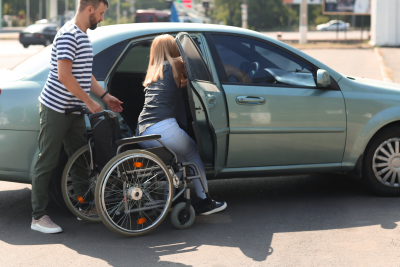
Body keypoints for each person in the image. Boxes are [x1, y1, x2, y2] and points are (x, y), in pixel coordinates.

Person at [31, 0, 123, 234]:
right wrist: (89, 101)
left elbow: (82, 72)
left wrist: (104, 95)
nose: (102, 18)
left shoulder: (82, 35)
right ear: (89, 9)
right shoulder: (68, 34)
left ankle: (83, 206)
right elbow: (64, 76)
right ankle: (38, 217)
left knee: (80, 158)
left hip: (73, 110)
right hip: (56, 109)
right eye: (101, 13)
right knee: (47, 160)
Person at [137, 34, 227, 215]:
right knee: (193, 153)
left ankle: (168, 199)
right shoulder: (174, 64)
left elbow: (180, 84)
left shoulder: (155, 71)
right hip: (164, 127)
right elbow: (197, 67)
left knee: (178, 159)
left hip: (143, 131)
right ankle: (205, 201)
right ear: (172, 49)